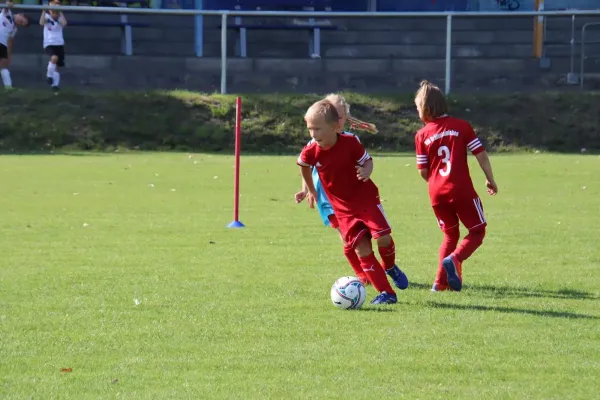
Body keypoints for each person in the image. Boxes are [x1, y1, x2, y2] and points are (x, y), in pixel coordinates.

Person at [297, 100, 409, 305]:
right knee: (361, 248)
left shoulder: (350, 142)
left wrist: (366, 170)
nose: (313, 134)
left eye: (317, 129)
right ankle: (387, 293)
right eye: (310, 129)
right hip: (342, 209)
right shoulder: (311, 150)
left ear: (335, 126)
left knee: (383, 237)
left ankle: (390, 266)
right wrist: (310, 191)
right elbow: (303, 165)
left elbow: (367, 160)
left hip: (365, 199)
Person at [413, 80, 498, 292]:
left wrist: (435, 182)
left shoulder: (421, 135)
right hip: (461, 190)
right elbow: (481, 154)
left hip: (436, 193)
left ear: (426, 108)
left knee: (450, 235)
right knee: (477, 231)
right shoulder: (462, 126)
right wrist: (490, 178)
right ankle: (456, 259)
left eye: (417, 107)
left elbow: (423, 171)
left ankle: (438, 284)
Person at [295, 94, 378, 286]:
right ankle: (363, 274)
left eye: (341, 117)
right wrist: (306, 190)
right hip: (327, 198)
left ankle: (370, 268)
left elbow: (363, 162)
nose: (338, 120)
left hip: (353, 198)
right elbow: (306, 165)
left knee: (363, 236)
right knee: (348, 237)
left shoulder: (350, 140)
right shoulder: (315, 142)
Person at [0, 1, 29, 89]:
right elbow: (6, 6)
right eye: (21, 21)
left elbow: (10, 41)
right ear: (21, 15)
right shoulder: (7, 13)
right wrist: (8, 3)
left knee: (3, 66)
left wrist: (9, 55)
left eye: (21, 24)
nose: (20, 23)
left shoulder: (14, 28)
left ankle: (8, 87)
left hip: (2, 45)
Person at [40, 0, 66, 93]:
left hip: (59, 44)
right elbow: (42, 23)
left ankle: (55, 86)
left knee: (57, 67)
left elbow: (64, 23)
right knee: (54, 58)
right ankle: (49, 75)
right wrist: (44, 11)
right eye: (52, 11)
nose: (54, 13)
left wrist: (60, 11)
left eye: (56, 11)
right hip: (49, 43)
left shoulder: (60, 19)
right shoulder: (47, 17)